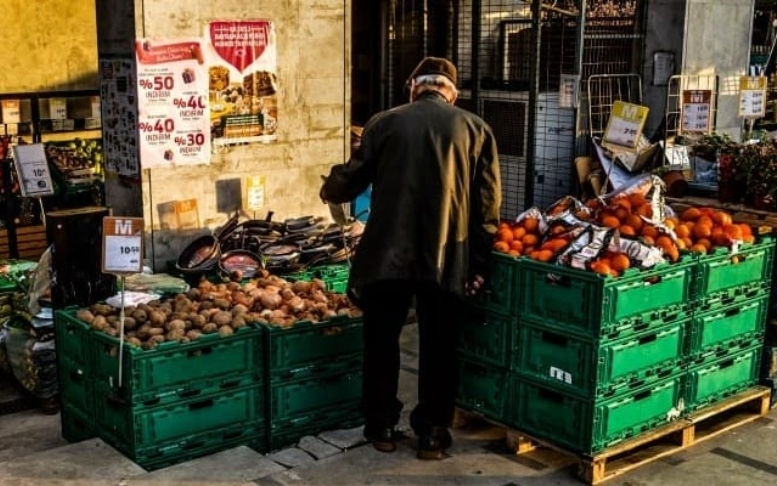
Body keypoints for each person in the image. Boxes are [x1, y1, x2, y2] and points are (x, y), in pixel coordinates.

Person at [320, 56, 502, 460]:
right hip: (445, 257)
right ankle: (433, 435)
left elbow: (350, 179)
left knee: (382, 340)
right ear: (451, 92)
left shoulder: (384, 123)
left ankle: (381, 425)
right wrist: (479, 264)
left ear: (413, 86)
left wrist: (330, 189)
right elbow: (487, 209)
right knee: (439, 345)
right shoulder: (476, 129)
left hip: (387, 256)